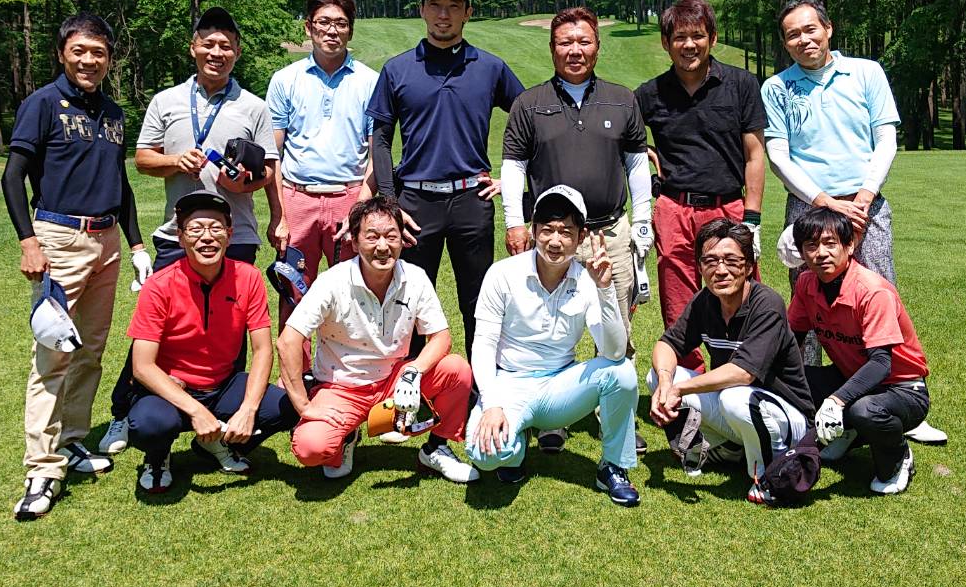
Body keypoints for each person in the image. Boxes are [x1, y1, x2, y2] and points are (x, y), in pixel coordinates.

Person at [761, 0, 945, 445]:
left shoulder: (866, 73)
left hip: (866, 204)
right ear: (784, 43)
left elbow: (885, 140)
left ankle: (899, 402)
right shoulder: (776, 88)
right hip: (809, 207)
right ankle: (801, 406)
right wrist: (823, 200)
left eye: (810, 29)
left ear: (828, 29)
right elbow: (778, 156)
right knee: (809, 304)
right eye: (792, 35)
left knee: (880, 298)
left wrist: (861, 198)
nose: (803, 39)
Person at [100, 7, 282, 456]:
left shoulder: (254, 107)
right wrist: (172, 161)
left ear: (237, 53)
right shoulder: (166, 101)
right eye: (208, 44)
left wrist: (245, 183)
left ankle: (223, 425)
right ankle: (125, 412)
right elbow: (142, 158)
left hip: (235, 233)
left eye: (226, 46)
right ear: (193, 48)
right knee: (155, 330)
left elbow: (268, 171)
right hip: (176, 234)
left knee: (228, 334)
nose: (216, 53)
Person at [2, 12, 150, 521]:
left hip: (107, 239)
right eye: (80, 51)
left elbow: (121, 183)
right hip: (59, 238)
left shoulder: (112, 112)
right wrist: (29, 241)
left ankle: (72, 441)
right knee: (52, 357)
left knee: (90, 351)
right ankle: (42, 467)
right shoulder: (42, 104)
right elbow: (13, 176)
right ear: (63, 52)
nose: (89, 60)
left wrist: (134, 245)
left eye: (99, 52)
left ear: (109, 58)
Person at [499, 5, 652, 454]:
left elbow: (637, 164)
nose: (575, 50)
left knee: (617, 324)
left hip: (609, 232)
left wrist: (641, 220)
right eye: (565, 42)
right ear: (552, 48)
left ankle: (615, 416)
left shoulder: (623, 99)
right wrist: (513, 221)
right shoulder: (530, 104)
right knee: (546, 324)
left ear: (597, 46)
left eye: (584, 41)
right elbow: (513, 166)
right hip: (554, 237)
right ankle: (553, 415)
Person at [367, 0, 523, 354]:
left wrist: (512, 181)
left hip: (473, 200)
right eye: (435, 4)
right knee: (414, 304)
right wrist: (389, 201)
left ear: (468, 12)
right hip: (415, 203)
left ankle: (479, 391)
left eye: (454, 5)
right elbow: (381, 139)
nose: (443, 14)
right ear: (421, 10)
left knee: (479, 304)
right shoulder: (397, 69)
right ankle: (416, 395)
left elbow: (528, 119)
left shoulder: (489, 67)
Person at [276, 196, 478, 482]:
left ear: (402, 239)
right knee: (311, 448)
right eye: (372, 237)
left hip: (394, 381)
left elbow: (441, 336)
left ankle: (436, 448)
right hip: (340, 387)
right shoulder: (333, 281)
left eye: (391, 236)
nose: (383, 247)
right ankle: (347, 437)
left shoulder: (415, 277)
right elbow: (288, 341)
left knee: (456, 370)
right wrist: (304, 407)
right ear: (355, 242)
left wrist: (413, 371)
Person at [465, 185, 641, 507]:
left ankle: (613, 466)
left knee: (623, 372)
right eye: (547, 230)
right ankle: (514, 451)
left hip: (560, 389)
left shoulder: (589, 280)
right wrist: (491, 403)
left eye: (566, 231)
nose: (556, 241)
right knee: (484, 453)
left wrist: (605, 290)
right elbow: (483, 346)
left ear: (581, 236)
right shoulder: (502, 274)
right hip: (509, 384)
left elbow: (614, 352)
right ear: (533, 231)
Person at [125, 191, 299, 495]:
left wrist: (248, 408)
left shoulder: (248, 277)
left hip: (223, 385)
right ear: (180, 238)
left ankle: (216, 446)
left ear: (229, 235)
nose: (207, 237)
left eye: (216, 228)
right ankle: (157, 458)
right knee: (149, 424)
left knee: (286, 406)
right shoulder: (158, 285)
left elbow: (262, 349)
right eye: (195, 229)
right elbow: (141, 366)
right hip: (172, 389)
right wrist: (195, 410)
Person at [647, 218, 814, 505]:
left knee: (734, 398)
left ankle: (768, 474)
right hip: (744, 406)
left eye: (731, 261)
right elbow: (667, 344)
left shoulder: (767, 303)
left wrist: (680, 391)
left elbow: (743, 373)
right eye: (710, 261)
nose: (720, 270)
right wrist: (665, 383)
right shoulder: (705, 301)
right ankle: (726, 449)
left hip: (790, 419)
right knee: (659, 377)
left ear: (749, 266)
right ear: (700, 267)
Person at [634, 0, 767, 354]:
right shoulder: (649, 94)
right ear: (666, 42)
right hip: (673, 209)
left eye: (697, 35)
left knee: (739, 294)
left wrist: (751, 219)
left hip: (728, 208)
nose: (688, 45)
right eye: (679, 37)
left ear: (713, 37)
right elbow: (620, 142)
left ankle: (740, 374)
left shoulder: (741, 84)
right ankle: (687, 382)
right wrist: (641, 150)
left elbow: (755, 154)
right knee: (678, 305)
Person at [788, 206, 931, 496]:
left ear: (850, 245)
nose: (821, 253)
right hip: (849, 376)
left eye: (830, 243)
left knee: (864, 409)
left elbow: (881, 364)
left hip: (903, 388)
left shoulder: (872, 291)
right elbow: (792, 340)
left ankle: (897, 457)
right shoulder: (806, 284)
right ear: (801, 254)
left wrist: (836, 401)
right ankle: (848, 432)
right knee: (787, 379)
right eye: (811, 246)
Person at [265, 0, 377, 322]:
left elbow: (377, 154)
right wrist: (279, 215)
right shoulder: (286, 80)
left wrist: (360, 207)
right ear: (308, 27)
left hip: (350, 196)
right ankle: (293, 374)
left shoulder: (370, 82)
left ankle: (345, 373)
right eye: (323, 22)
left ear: (350, 29)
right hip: (297, 199)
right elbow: (275, 154)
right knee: (293, 291)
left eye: (341, 23)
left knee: (354, 294)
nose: (332, 30)